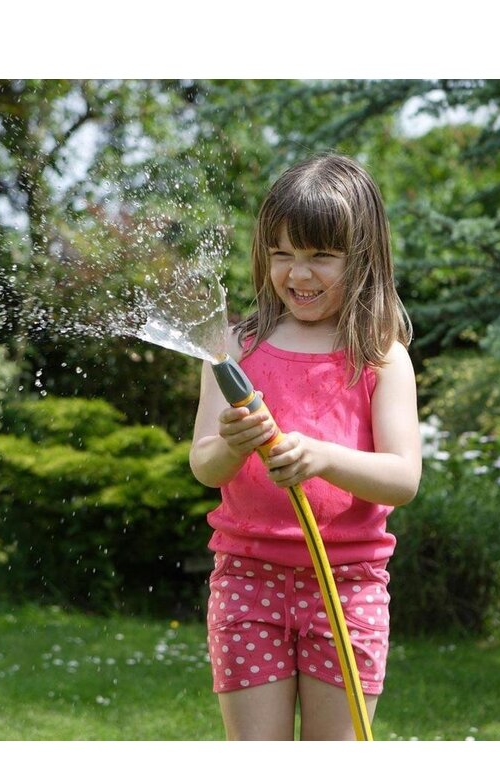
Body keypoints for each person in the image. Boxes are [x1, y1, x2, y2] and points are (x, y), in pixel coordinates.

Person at [189, 153, 422, 741]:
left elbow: (403, 477)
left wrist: (323, 457)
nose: (299, 273)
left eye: (322, 255)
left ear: (363, 258)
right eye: (283, 254)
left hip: (348, 588)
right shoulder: (235, 348)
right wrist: (233, 447)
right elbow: (203, 462)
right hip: (247, 581)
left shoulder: (381, 355)